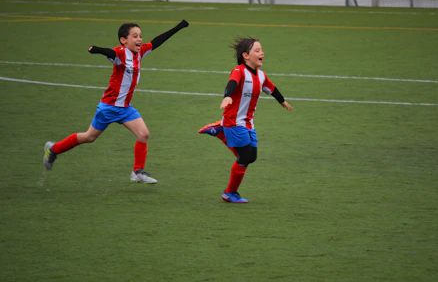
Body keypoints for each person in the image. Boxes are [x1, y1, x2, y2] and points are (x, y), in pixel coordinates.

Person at [43, 20, 189, 184]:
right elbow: (111, 53)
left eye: (140, 36)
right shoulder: (120, 53)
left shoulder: (140, 52)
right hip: (109, 108)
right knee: (89, 137)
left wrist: (178, 27)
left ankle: (137, 172)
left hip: (126, 108)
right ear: (123, 40)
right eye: (135, 36)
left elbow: (157, 41)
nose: (139, 39)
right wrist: (98, 50)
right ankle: (53, 149)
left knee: (143, 134)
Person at [198, 36, 292, 203]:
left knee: (251, 156)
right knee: (245, 157)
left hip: (248, 123)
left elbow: (272, 88)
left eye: (261, 50)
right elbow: (232, 84)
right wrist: (227, 97)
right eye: (257, 50)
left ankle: (220, 132)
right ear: (245, 56)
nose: (261, 53)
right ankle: (229, 193)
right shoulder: (239, 71)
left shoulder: (261, 75)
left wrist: (282, 100)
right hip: (233, 121)